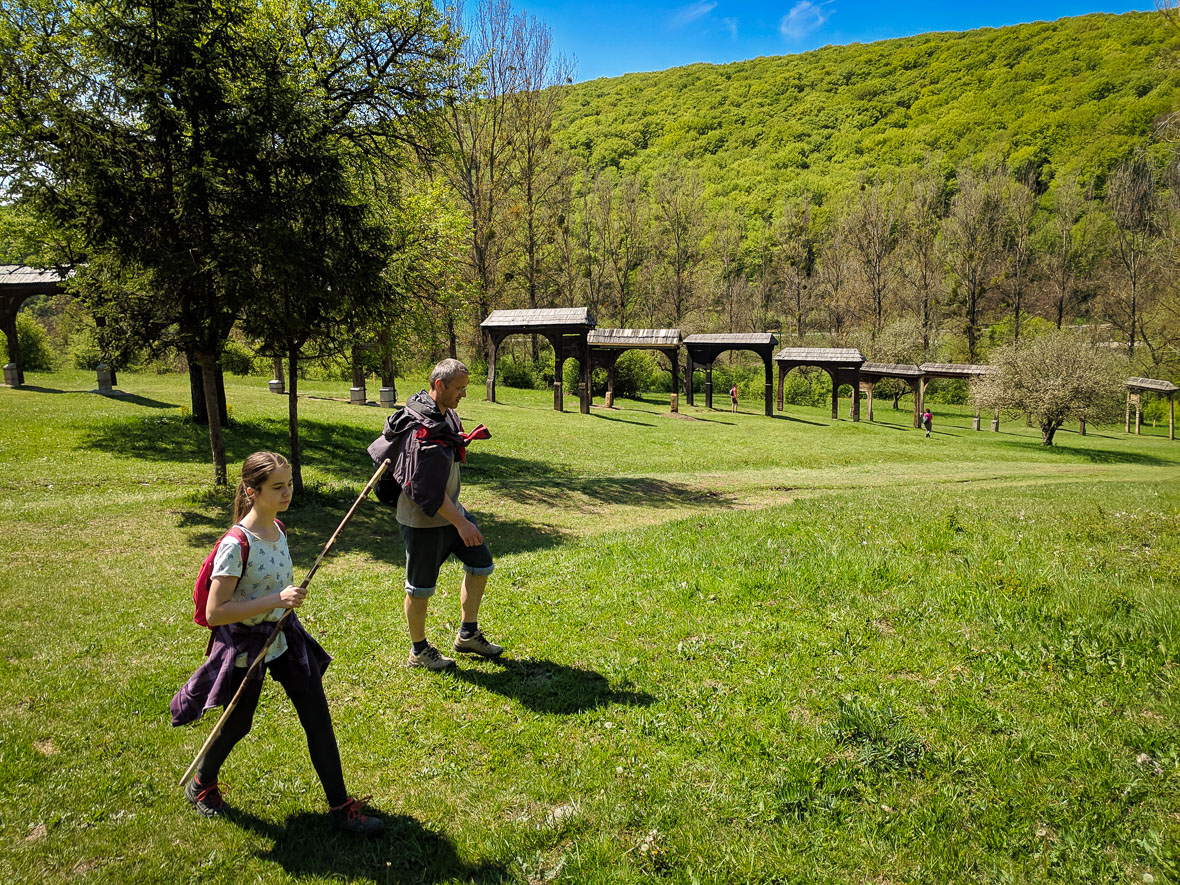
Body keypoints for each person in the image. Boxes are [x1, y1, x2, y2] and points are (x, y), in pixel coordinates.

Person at [170, 452, 383, 836]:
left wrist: (282, 603)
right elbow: (216, 612)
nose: (287, 492)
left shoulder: (279, 528)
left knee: (318, 718)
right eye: (277, 487)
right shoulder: (236, 544)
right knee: (238, 723)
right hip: (246, 645)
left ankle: (341, 808)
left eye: (288, 484)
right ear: (252, 491)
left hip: (284, 636)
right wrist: (276, 599)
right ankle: (201, 783)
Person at [371, 358, 500, 671]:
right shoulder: (420, 427)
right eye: (459, 388)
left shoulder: (447, 414)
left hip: (450, 511)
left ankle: (467, 634)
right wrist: (462, 523)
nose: (463, 394)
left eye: (465, 388)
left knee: (480, 564)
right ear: (439, 385)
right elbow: (426, 489)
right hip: (422, 520)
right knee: (420, 588)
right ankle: (418, 650)